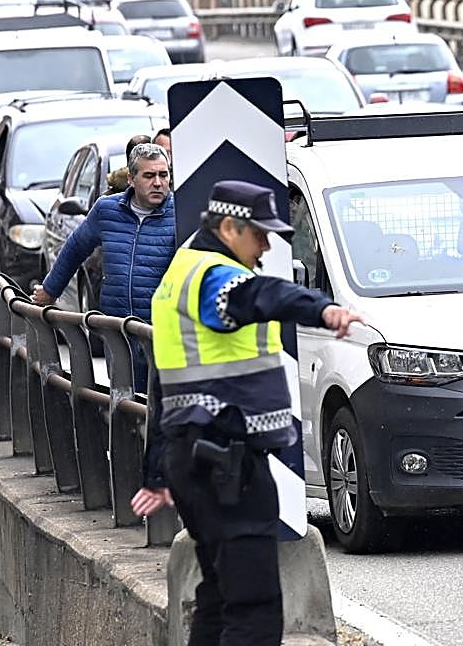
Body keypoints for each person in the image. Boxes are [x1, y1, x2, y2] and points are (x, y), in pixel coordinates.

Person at [131, 180, 361, 646]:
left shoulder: (181, 270)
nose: (267, 246)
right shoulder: (217, 278)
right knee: (253, 606)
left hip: (193, 459)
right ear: (230, 227)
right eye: (260, 234)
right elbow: (263, 296)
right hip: (228, 466)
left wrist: (157, 472)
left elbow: (161, 388)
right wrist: (323, 309)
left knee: (219, 596)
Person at [32, 142, 176, 392]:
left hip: (161, 333)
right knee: (123, 400)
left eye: (163, 175)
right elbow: (74, 248)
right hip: (117, 332)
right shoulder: (107, 210)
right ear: (131, 179)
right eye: (149, 176)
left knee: (155, 403)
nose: (158, 183)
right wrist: (50, 291)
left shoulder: (181, 212)